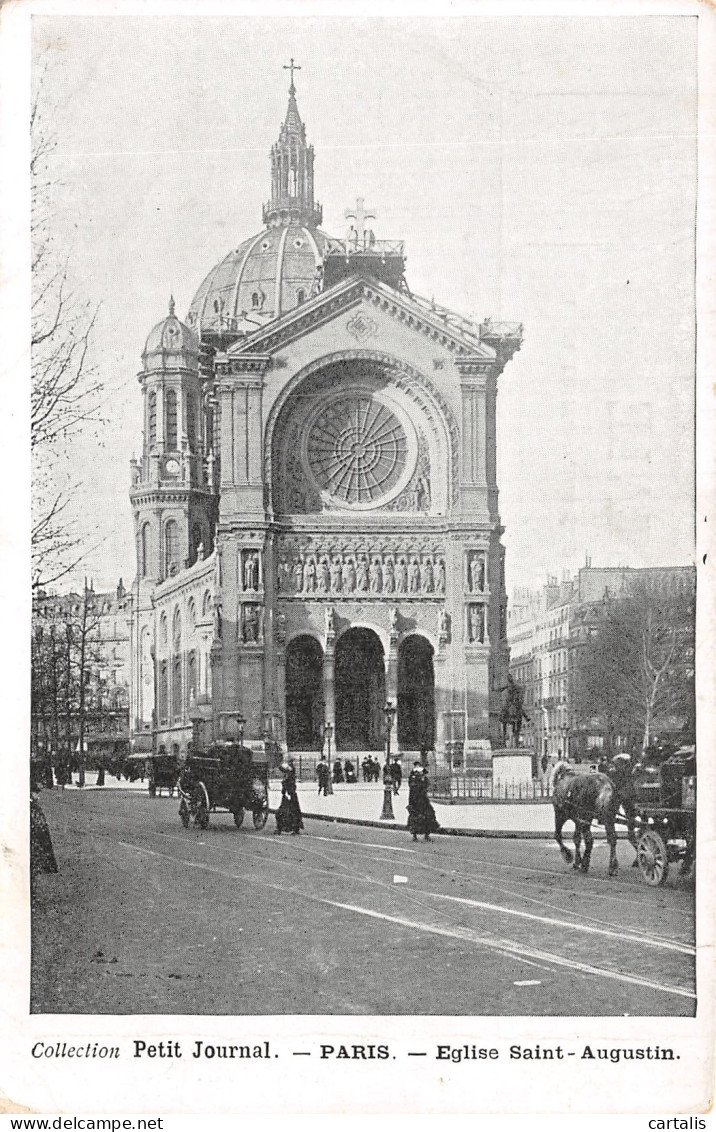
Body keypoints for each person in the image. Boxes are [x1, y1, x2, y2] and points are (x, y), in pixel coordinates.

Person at [407, 762, 439, 842]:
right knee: (416, 816)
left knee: (428, 815)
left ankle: (426, 834)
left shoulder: (424, 779)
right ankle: (415, 835)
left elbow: (426, 787)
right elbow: (413, 790)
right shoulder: (413, 779)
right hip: (416, 801)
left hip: (424, 801)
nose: (423, 775)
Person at [275, 759, 304, 835]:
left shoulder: (290, 775)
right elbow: (282, 769)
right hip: (290, 794)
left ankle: (287, 828)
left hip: (289, 794)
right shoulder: (289, 774)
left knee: (287, 812)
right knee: (292, 811)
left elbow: (288, 784)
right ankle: (294, 828)